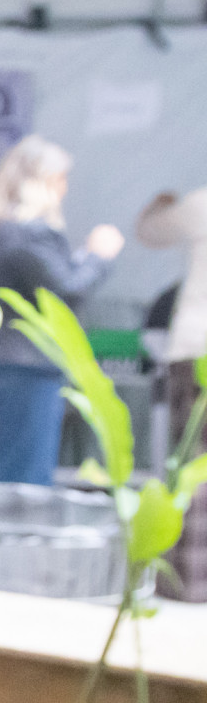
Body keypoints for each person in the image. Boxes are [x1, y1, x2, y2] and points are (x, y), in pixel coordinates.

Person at [0, 135, 122, 486]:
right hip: (28, 366)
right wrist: (99, 256)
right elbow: (64, 290)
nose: (64, 189)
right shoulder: (28, 233)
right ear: (41, 180)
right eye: (60, 180)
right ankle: (17, 540)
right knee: (24, 478)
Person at [138, 186, 207, 600]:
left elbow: (150, 231)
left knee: (194, 467)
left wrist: (158, 204)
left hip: (197, 352)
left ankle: (189, 581)